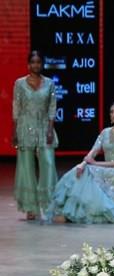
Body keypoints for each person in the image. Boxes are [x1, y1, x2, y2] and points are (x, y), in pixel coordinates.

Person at [47, 101, 114, 224]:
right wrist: (82, 164)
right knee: (81, 171)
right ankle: (68, 212)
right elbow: (92, 152)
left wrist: (95, 164)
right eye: (111, 112)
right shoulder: (105, 132)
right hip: (106, 169)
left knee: (90, 171)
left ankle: (74, 214)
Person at [12, 50, 58, 220]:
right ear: (28, 64)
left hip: (44, 126)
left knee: (48, 163)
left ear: (42, 64)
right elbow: (16, 107)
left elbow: (52, 107)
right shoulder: (19, 83)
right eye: (33, 62)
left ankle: (48, 203)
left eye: (39, 62)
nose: (36, 65)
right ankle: (30, 207)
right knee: (26, 166)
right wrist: (14, 130)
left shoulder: (50, 83)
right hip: (25, 127)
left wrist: (50, 129)